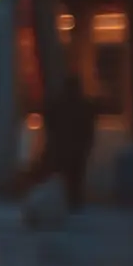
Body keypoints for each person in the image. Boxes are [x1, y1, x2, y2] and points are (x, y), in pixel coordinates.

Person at [43, 74, 96, 212]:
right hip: (76, 148)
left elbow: (50, 121)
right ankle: (74, 201)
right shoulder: (84, 105)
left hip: (63, 147)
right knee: (76, 177)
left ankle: (65, 201)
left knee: (63, 176)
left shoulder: (59, 104)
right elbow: (88, 128)